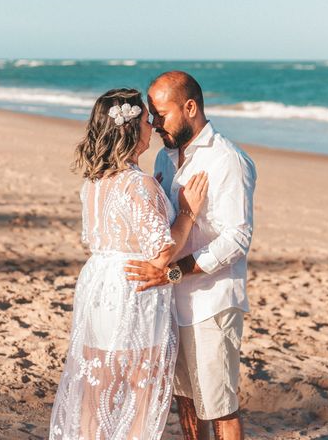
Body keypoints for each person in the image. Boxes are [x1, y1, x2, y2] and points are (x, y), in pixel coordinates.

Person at [49, 88, 208, 440]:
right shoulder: (139, 185)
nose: (153, 124)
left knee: (96, 387)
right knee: (138, 389)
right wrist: (187, 213)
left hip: (98, 286)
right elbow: (162, 254)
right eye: (146, 120)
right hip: (133, 289)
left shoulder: (93, 182)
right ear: (132, 129)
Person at [124, 72, 256, 440]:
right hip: (170, 303)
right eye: (150, 114)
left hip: (212, 302)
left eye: (160, 114)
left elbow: (236, 240)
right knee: (184, 400)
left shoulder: (227, 160)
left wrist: (173, 272)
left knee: (219, 406)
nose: (153, 123)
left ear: (190, 107)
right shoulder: (165, 160)